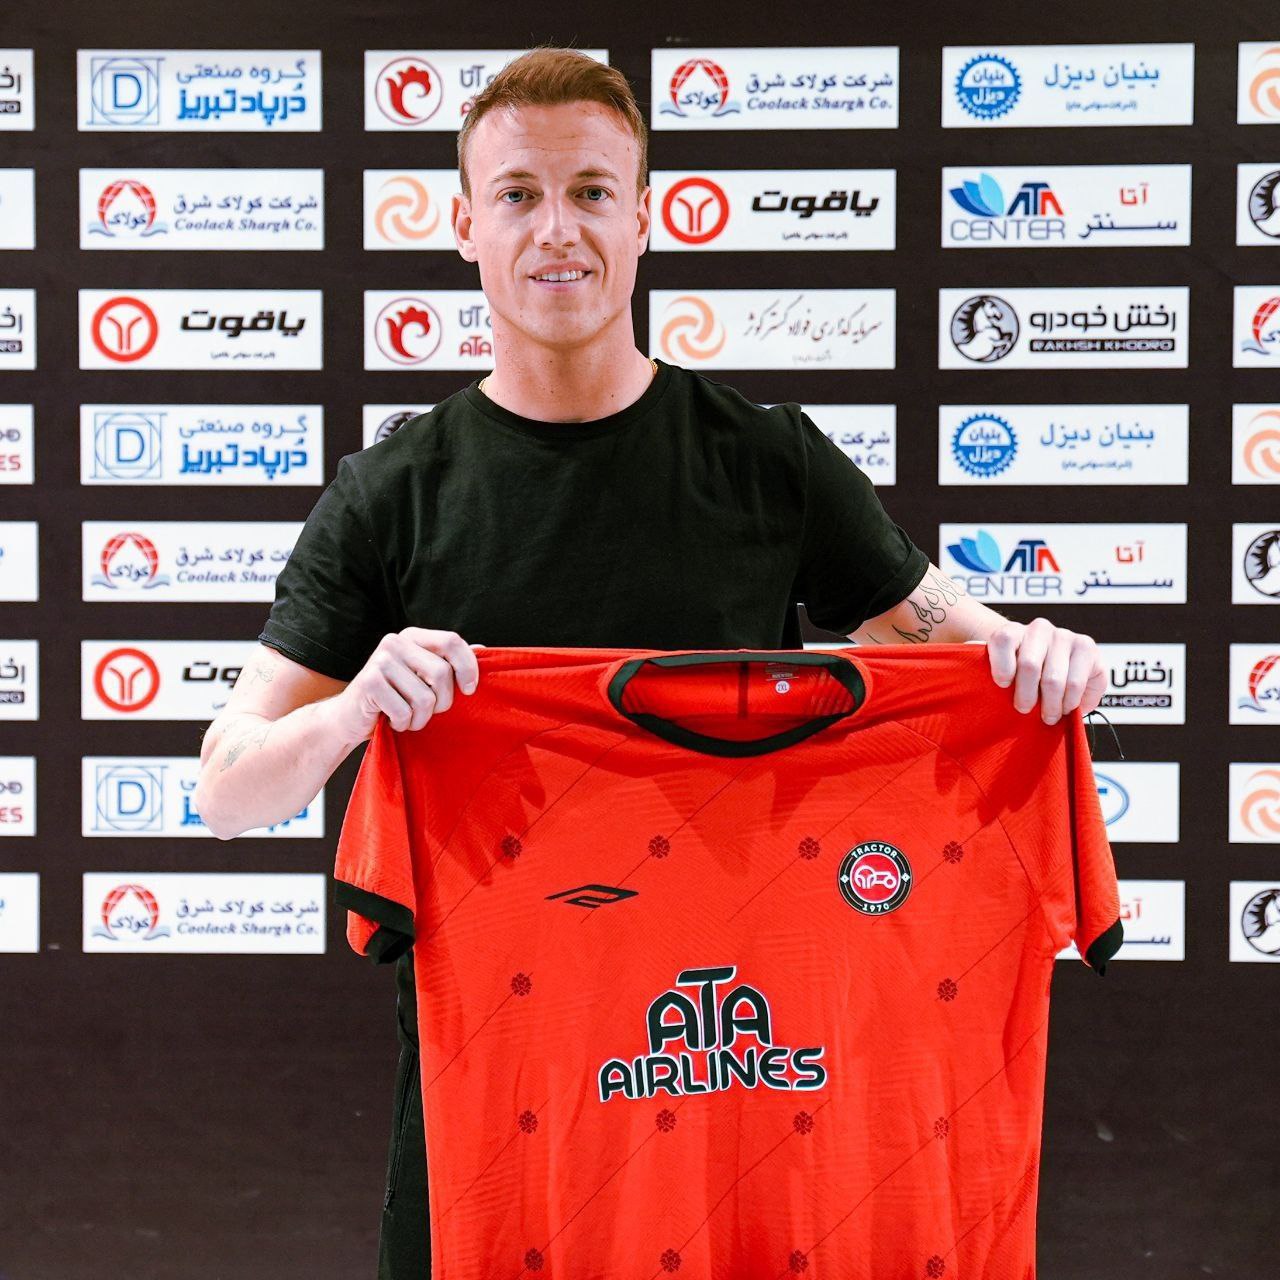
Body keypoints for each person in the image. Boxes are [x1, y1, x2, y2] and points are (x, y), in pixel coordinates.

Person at [193, 47, 1107, 1280]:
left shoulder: (768, 461)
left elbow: (964, 643)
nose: (554, 229)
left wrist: (1041, 657)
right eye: (517, 195)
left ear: (643, 216)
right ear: (463, 227)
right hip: (499, 1128)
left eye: (589, 192)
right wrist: (356, 707)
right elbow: (226, 788)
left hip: (739, 1104)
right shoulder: (389, 496)